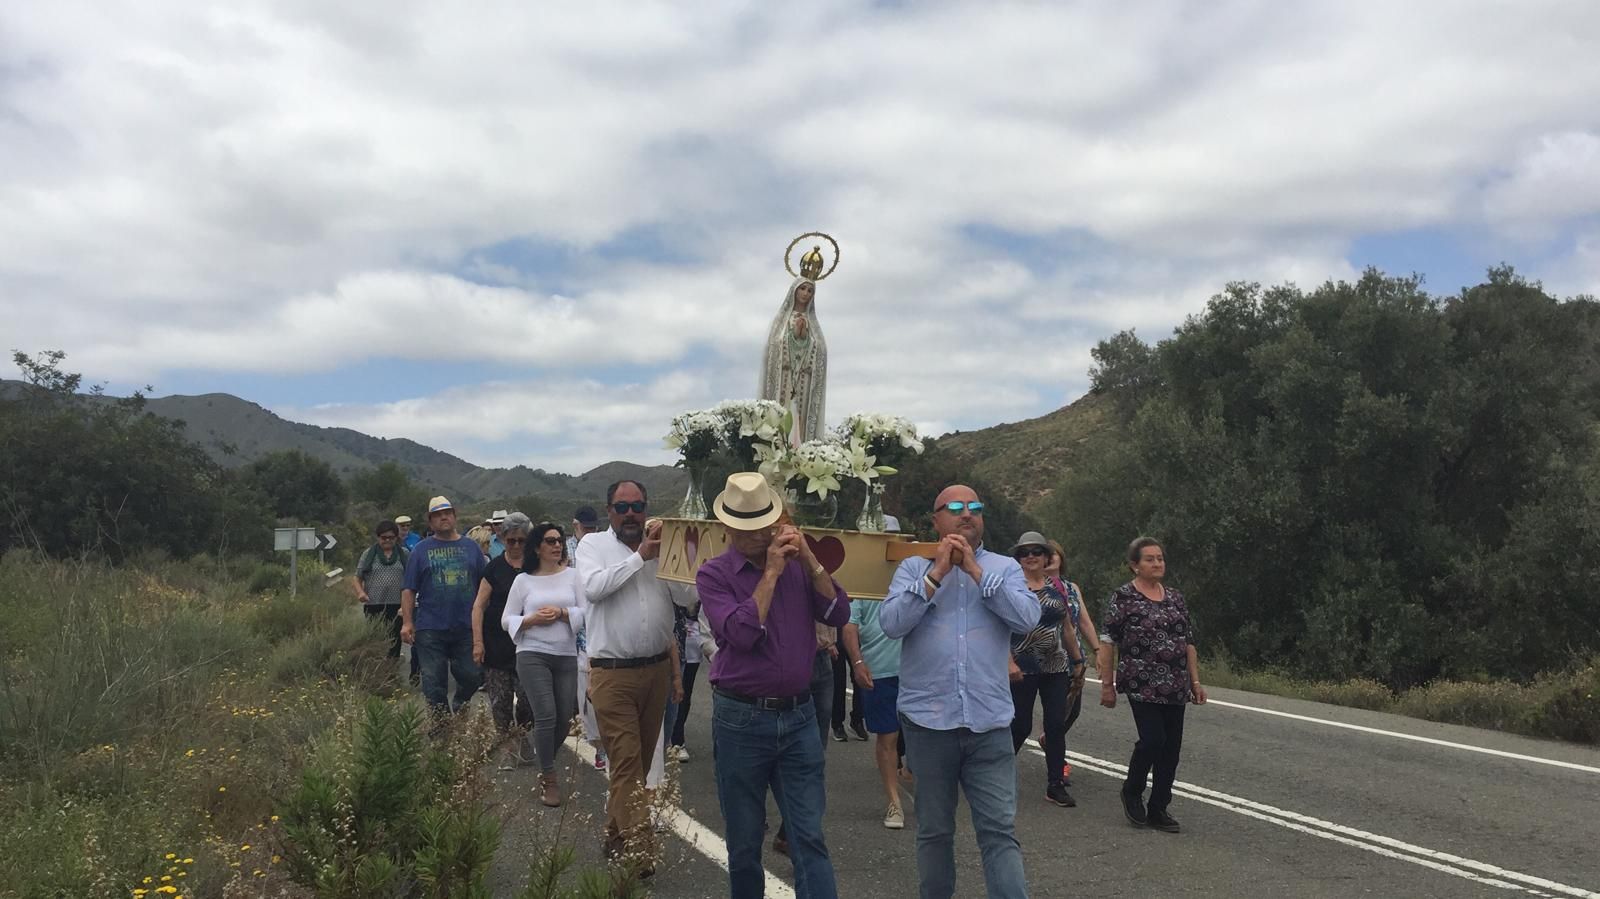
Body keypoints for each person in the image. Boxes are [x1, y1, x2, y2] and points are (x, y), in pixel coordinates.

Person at [880, 485, 1040, 899]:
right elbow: (892, 624)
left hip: (989, 724)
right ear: (936, 520)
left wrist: (975, 572)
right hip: (929, 724)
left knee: (999, 833)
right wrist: (937, 574)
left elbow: (1026, 619)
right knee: (934, 832)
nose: (965, 514)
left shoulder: (1004, 568)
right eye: (954, 508)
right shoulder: (913, 569)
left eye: (974, 508)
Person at [698, 472, 850, 899]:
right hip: (741, 718)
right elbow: (741, 634)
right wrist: (770, 573)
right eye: (745, 529)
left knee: (808, 836)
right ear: (726, 527)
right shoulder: (714, 574)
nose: (757, 536)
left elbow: (838, 613)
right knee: (745, 841)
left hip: (800, 715)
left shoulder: (799, 566)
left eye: (763, 525)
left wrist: (811, 561)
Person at [576, 480, 682, 869]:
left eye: (638, 506)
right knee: (626, 763)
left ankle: (614, 834)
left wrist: (679, 555)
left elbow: (688, 598)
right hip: (612, 675)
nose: (631, 514)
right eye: (622, 508)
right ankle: (641, 853)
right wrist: (640, 556)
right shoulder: (592, 546)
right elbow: (593, 589)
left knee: (634, 764)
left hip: (654, 670)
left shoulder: (660, 549)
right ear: (609, 512)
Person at [1099, 536, 1207, 834]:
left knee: (1171, 748)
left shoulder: (1175, 597)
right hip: (1140, 682)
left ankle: (1159, 807)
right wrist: (1107, 685)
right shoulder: (1123, 597)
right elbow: (1107, 641)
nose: (1157, 563)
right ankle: (1132, 791)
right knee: (1153, 740)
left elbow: (1189, 642)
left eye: (1160, 558)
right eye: (1149, 559)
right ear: (1135, 565)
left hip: (1175, 683)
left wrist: (1195, 682)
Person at [503, 520, 585, 807]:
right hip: (532, 652)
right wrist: (532, 620)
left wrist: (563, 613)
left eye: (559, 540)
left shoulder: (574, 576)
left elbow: (585, 612)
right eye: (550, 541)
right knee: (546, 714)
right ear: (537, 547)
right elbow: (507, 618)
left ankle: (544, 758)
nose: (557, 545)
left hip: (565, 654)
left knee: (564, 719)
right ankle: (549, 779)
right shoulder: (523, 581)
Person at [1006, 531, 1085, 809]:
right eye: (1024, 553)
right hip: (1022, 667)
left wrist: (1077, 662)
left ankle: (1055, 785)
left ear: (1045, 557)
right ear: (1018, 559)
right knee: (1020, 725)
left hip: (1055, 666)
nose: (1030, 557)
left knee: (1055, 724)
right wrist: (1008, 662)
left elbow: (1066, 628)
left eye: (1036, 552)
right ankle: (995, 773)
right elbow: (998, 628)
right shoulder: (1011, 588)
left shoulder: (1056, 588)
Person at [401, 496, 488, 716]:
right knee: (432, 683)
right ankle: (441, 731)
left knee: (472, 676)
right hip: (430, 627)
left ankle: (460, 702)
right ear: (430, 522)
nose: (444, 517)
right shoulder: (420, 551)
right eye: (437, 515)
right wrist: (407, 622)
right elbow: (409, 589)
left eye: (447, 513)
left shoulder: (471, 548)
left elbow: (484, 586)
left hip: (466, 626)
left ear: (455, 516)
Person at [472, 512, 536, 768]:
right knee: (500, 700)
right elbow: (478, 606)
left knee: (528, 701)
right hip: (497, 644)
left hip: (529, 645)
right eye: (512, 541)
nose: (517, 545)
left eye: (522, 540)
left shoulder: (536, 567)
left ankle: (521, 734)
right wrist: (478, 642)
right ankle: (506, 747)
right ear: (503, 539)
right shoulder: (494, 568)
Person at [842, 592, 907, 829]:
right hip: (879, 671)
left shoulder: (917, 577)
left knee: (926, 735)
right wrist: (858, 662)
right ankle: (894, 802)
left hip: (918, 671)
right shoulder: (866, 585)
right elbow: (849, 625)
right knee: (887, 737)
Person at [1046, 538, 1102, 786]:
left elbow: (1084, 622)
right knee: (1052, 716)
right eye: (1044, 554)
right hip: (1043, 658)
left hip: (1073, 658)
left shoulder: (1072, 588)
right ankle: (1058, 767)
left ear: (1061, 557)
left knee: (1072, 711)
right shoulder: (1032, 585)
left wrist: (1098, 650)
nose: (1049, 558)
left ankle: (1050, 743)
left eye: (1053, 554)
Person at [759, 277, 828, 444]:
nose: (805, 293)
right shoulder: (781, 320)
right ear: (794, 290)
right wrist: (792, 336)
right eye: (802, 288)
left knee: (800, 421)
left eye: (810, 290)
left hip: (804, 383)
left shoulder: (813, 323)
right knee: (781, 418)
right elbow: (774, 345)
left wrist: (806, 339)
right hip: (784, 379)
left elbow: (820, 351)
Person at [355, 520, 409, 659]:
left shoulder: (404, 554)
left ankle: (392, 669)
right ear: (378, 537)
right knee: (376, 639)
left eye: (391, 537)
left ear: (396, 538)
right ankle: (378, 668)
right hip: (373, 604)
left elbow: (411, 578)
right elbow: (357, 577)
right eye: (383, 537)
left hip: (397, 605)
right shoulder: (368, 554)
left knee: (395, 639)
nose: (387, 540)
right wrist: (361, 592)